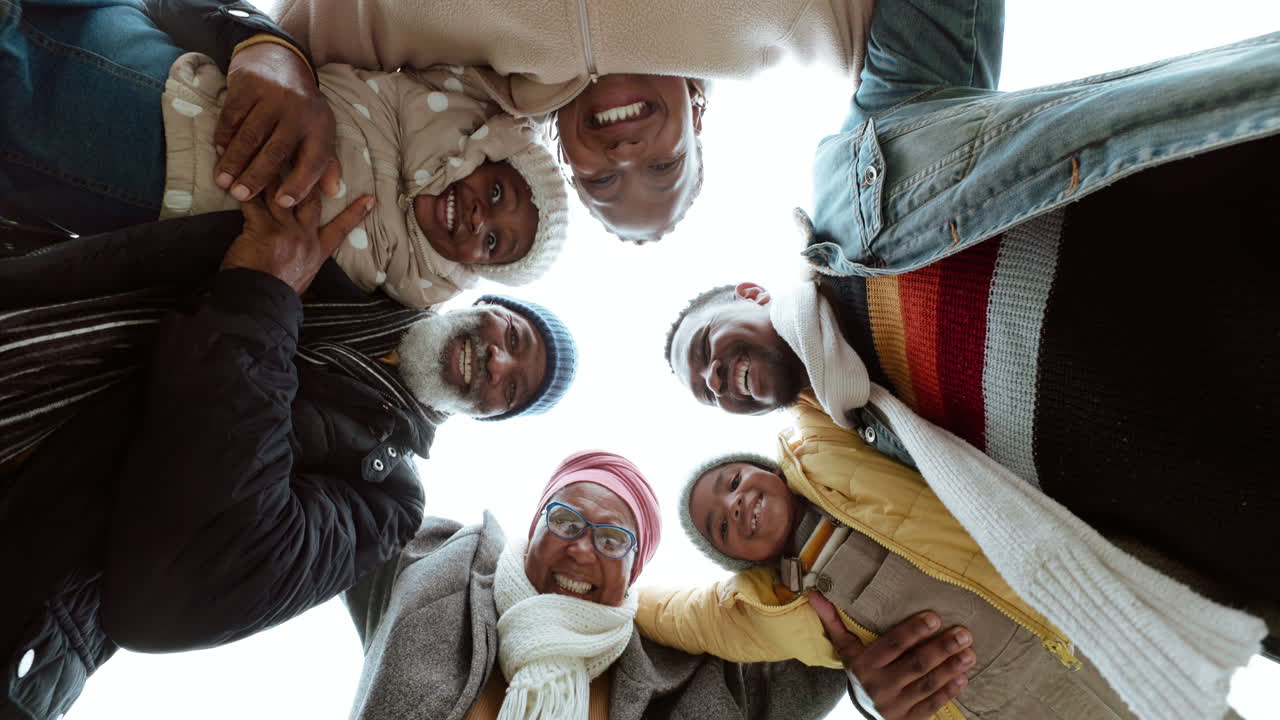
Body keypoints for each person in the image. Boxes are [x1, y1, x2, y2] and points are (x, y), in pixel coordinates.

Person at [0, 190, 579, 719]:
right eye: (515, 337)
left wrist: (258, 303)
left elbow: (172, 597)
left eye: (511, 392)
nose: (499, 364)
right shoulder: (341, 261)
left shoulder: (386, 500)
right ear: (484, 303)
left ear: (484, 417)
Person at [1, 0, 877, 243]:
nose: (622, 156)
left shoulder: (456, 82)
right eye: (662, 170)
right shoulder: (784, 28)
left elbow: (273, 32)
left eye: (602, 182)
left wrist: (274, 55)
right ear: (698, 114)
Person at [637, 391, 1137, 720]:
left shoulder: (826, 450)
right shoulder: (762, 607)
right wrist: (600, 586)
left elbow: (807, 363)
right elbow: (675, 616)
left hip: (1065, 614)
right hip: (993, 701)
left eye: (734, 480)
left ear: (767, 468)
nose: (735, 502)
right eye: (719, 526)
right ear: (735, 560)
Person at [343, 449, 858, 720]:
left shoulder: (690, 673)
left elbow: (838, 638)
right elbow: (346, 489)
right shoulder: (440, 563)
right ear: (533, 526)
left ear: (634, 574)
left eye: (614, 539)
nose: (583, 549)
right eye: (565, 521)